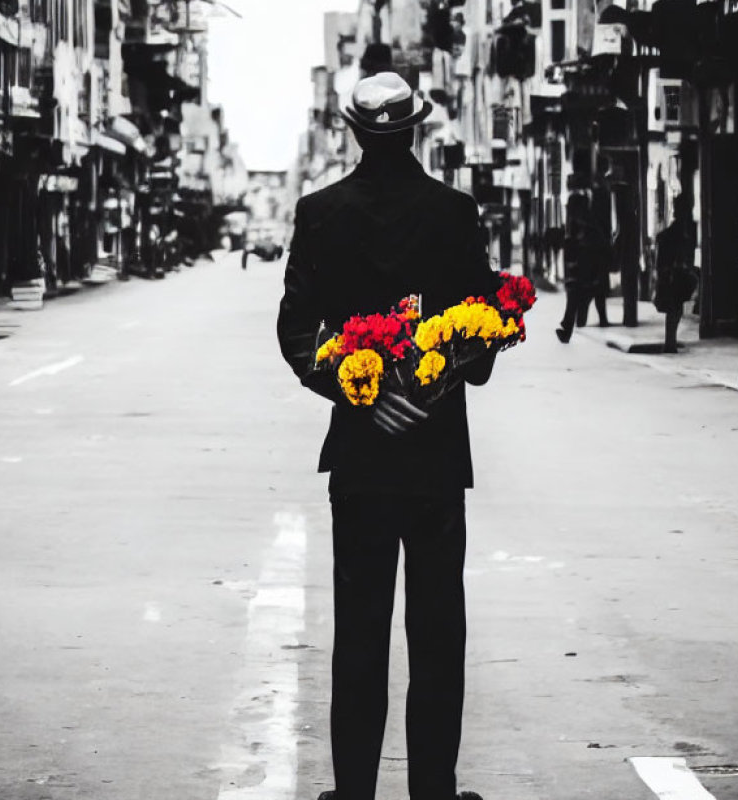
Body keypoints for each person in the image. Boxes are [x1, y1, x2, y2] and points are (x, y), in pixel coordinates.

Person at [276, 71, 497, 800]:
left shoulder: (319, 212)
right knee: (438, 641)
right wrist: (429, 387)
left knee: (360, 640)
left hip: (362, 463)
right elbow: (484, 338)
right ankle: (433, 791)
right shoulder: (455, 212)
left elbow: (297, 333)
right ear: (417, 128)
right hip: (435, 462)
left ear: (353, 130)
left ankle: (354, 795)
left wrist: (360, 392)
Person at [556, 192, 609, 343]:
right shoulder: (578, 226)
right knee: (576, 302)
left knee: (577, 301)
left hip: (587, 273)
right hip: (581, 273)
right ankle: (568, 328)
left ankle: (568, 328)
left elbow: (594, 250)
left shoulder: (588, 227)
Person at [653, 194, 698, 353]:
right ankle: (669, 341)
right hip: (673, 275)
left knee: (675, 309)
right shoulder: (677, 231)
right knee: (674, 309)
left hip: (674, 274)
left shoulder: (685, 229)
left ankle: (670, 341)